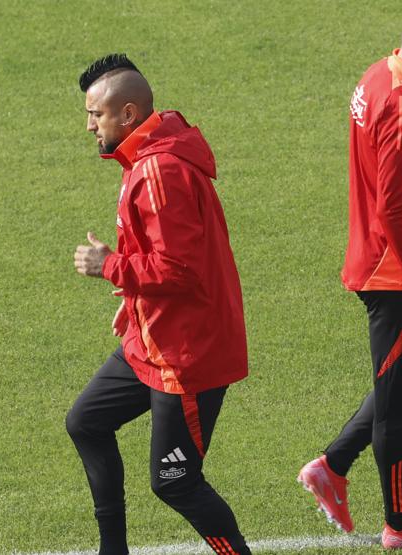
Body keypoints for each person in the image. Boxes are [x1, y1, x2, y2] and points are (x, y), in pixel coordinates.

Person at [296, 1, 402, 550]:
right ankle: (400, 523)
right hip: (395, 275)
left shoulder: (379, 74)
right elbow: (394, 211)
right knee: (396, 405)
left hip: (382, 262)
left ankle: (332, 464)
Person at [66, 53, 252, 555]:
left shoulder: (159, 172)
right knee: (86, 421)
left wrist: (110, 266)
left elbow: (178, 270)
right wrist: (133, 299)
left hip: (186, 356)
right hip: (153, 337)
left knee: (176, 482)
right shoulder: (148, 155)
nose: (89, 126)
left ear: (128, 114)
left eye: (96, 115)